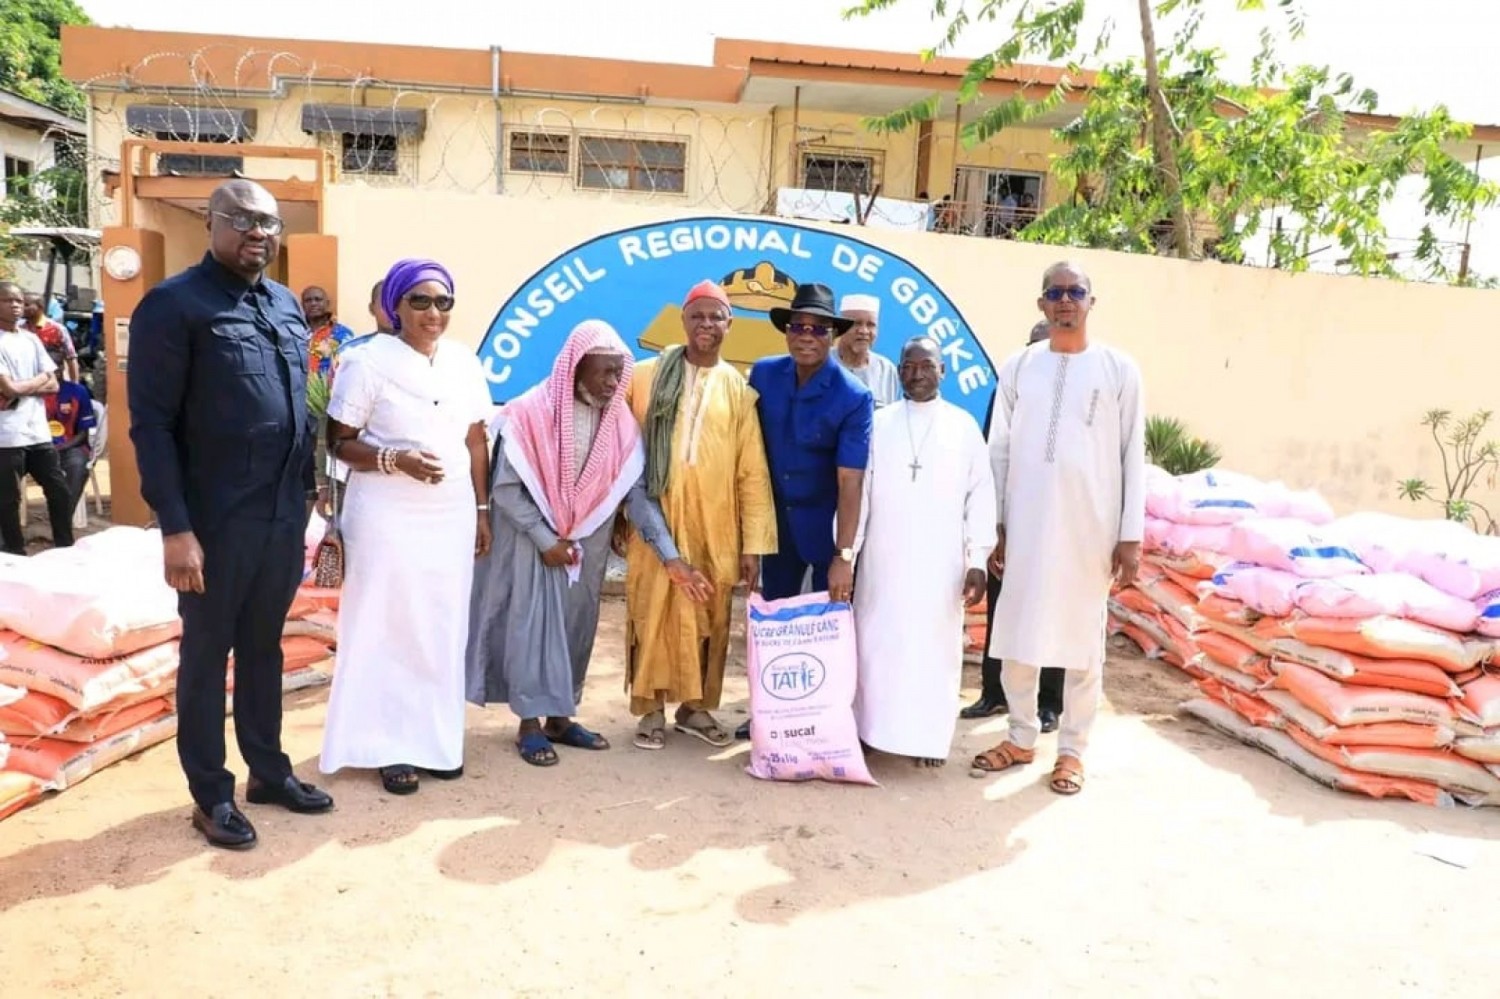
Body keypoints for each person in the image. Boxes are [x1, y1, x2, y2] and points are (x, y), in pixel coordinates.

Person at [128, 179, 333, 850]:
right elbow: (152, 425)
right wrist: (175, 527)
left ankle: (268, 771)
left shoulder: (283, 302)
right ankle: (211, 794)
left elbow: (298, 407)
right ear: (211, 223)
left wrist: (309, 496)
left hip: (281, 514)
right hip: (214, 521)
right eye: (242, 219)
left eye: (269, 223)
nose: (258, 233)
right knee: (207, 651)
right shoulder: (174, 305)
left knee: (264, 646)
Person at [467, 320, 712, 767]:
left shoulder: (620, 425)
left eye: (619, 373)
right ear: (574, 369)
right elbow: (506, 489)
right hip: (532, 542)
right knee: (531, 629)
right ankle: (529, 724)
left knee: (576, 628)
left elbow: (637, 497)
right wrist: (545, 539)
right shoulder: (529, 414)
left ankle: (560, 719)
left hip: (586, 546)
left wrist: (672, 558)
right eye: (604, 372)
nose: (614, 383)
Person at [971, 261, 1146, 796]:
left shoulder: (1119, 369)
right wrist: (996, 524)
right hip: (1024, 525)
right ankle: (1021, 737)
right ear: (1041, 304)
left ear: (1092, 301)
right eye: (1055, 292)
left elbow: (1132, 454)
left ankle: (1072, 751)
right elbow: (998, 449)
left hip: (1090, 528)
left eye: (1076, 291)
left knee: (1082, 643)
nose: (1065, 300)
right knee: (1017, 634)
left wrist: (1130, 535)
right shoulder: (1019, 366)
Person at [318, 259, 493, 795]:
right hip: (387, 515)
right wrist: (396, 461)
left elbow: (475, 441)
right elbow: (338, 441)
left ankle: (435, 743)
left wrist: (482, 510)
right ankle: (385, 745)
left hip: (451, 514)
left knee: (441, 625)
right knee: (388, 624)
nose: (433, 312)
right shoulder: (365, 361)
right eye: (419, 301)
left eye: (443, 302)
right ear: (395, 306)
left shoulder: (463, 361)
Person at [623, 280, 777, 750]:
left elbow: (752, 472)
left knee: (709, 614)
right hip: (656, 522)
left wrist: (753, 544)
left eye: (716, 317)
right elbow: (621, 456)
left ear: (730, 324)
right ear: (683, 321)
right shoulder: (644, 377)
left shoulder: (739, 390)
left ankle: (696, 708)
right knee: (651, 609)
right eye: (698, 316)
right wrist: (618, 519)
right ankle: (650, 708)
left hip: (716, 525)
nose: (706, 325)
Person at [852, 337, 995, 768]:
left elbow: (980, 496)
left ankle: (928, 740)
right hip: (884, 561)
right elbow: (860, 493)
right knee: (876, 645)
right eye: (908, 367)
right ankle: (870, 732)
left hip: (941, 564)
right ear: (898, 371)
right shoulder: (879, 422)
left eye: (926, 366)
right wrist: (848, 552)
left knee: (934, 650)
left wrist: (977, 560)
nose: (916, 375)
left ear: (942, 371)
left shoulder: (963, 427)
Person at [743, 282, 872, 740]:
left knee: (825, 627)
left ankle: (821, 722)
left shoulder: (853, 396)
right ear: (786, 331)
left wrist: (844, 555)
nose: (806, 336)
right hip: (773, 527)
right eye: (798, 326)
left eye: (818, 329)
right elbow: (746, 453)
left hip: (825, 528)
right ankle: (767, 713)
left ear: (832, 335)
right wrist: (749, 536)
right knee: (771, 622)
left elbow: (850, 480)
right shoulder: (763, 375)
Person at [961, 319, 1065, 728]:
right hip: (1010, 519)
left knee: (1052, 611)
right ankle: (994, 694)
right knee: (1002, 609)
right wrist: (995, 525)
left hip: (1056, 523)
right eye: (1033, 347)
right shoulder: (1007, 390)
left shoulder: (1075, 396)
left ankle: (1048, 703)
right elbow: (993, 457)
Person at [0, 281, 74, 556]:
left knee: (59, 489)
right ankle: (15, 553)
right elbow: (9, 388)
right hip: (7, 435)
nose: (16, 305)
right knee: (8, 500)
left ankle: (65, 546)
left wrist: (23, 388)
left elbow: (53, 383)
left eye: (19, 300)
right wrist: (35, 382)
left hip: (38, 432)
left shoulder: (31, 339)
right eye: (8, 300)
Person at [44, 370, 96, 514]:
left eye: (59, 364)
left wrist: (61, 447)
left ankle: (64, 517)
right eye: (50, 365)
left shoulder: (78, 391)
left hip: (70, 446)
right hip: (35, 447)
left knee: (78, 465)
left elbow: (83, 434)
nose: (55, 369)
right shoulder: (27, 392)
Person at [835, 294, 901, 406]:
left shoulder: (886, 370)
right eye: (856, 323)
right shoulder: (821, 364)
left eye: (871, 325)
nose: (864, 331)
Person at [22, 292, 79, 383]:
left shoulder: (57, 329)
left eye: (26, 305)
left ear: (40, 307)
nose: (21, 308)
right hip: (25, 382)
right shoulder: (19, 329)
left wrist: (75, 384)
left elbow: (71, 358)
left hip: (53, 382)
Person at [302, 285, 355, 377]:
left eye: (318, 299)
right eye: (308, 300)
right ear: (302, 305)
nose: (313, 303)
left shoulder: (342, 334)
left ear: (327, 303)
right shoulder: (295, 333)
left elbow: (350, 368)